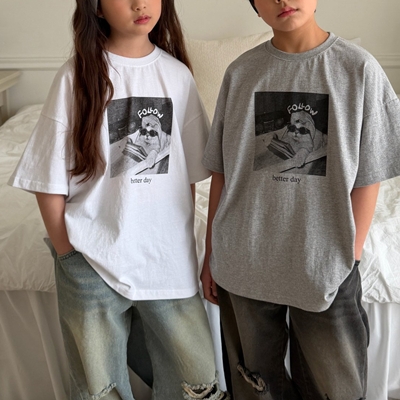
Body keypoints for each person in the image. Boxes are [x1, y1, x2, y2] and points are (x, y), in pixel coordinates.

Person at [9, 0, 229, 399]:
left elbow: (189, 172)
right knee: (100, 388)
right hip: (91, 260)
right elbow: (46, 176)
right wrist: (68, 255)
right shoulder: (76, 76)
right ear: (96, 8)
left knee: (197, 379)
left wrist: (188, 244)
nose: (139, 4)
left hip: (167, 261)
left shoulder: (177, 76)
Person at [201, 0, 400, 399]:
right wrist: (211, 255)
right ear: (255, 6)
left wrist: (350, 255)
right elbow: (222, 171)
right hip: (244, 259)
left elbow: (370, 175)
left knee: (338, 388)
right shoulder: (240, 73)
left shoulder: (358, 69)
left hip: (325, 263)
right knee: (256, 385)